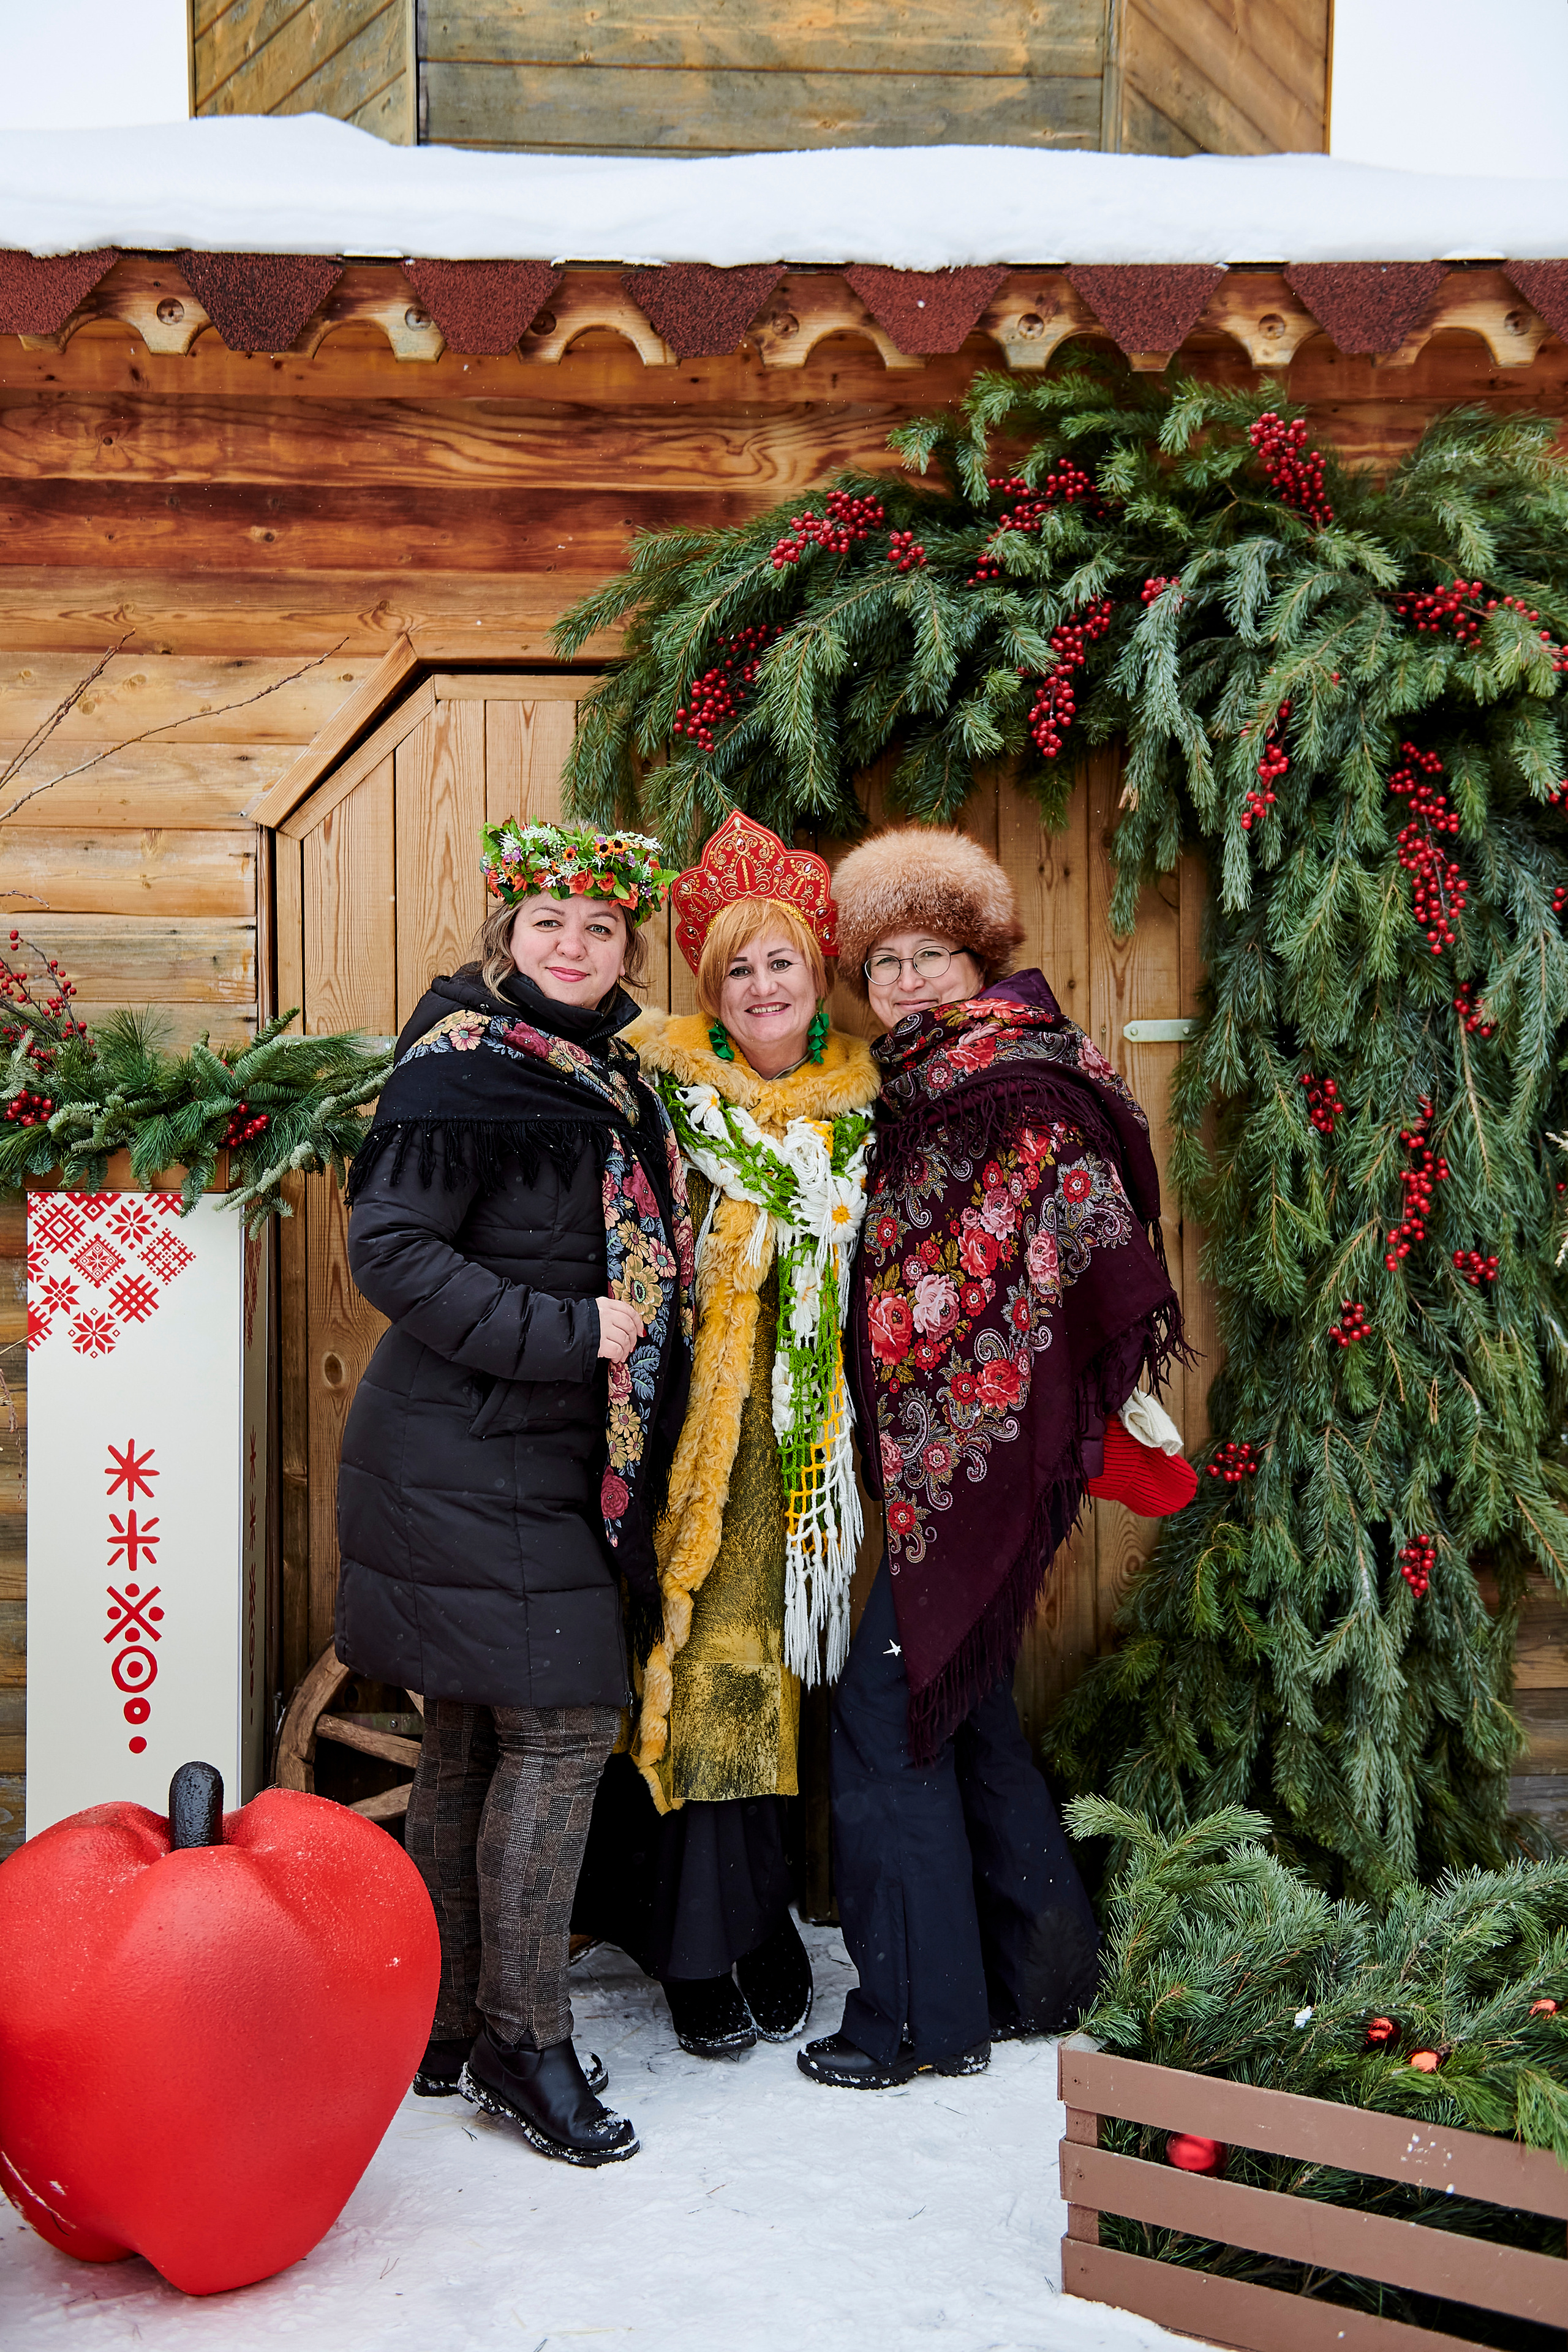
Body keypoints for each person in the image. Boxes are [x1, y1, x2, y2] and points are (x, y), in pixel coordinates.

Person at [798, 826, 1195, 2092]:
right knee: (958, 1710)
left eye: (934, 955)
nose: (910, 981)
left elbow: (1092, 1241)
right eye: (887, 961)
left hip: (983, 1454)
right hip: (944, 1456)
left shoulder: (1012, 1081)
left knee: (884, 1720)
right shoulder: (921, 1085)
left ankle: (915, 2020)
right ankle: (1039, 1979)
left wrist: (1066, 1393)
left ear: (980, 958)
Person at [334, 816, 694, 2165]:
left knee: (476, 1741)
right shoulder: (462, 1070)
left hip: (518, 1453)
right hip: (467, 1451)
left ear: (624, 952)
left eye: (599, 929)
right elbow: (392, 1255)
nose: (572, 944)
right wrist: (575, 1332)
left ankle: (438, 2023)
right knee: (559, 1729)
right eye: (548, 922)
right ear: (506, 937)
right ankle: (520, 2044)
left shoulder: (607, 1075)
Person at [572, 812, 880, 2059]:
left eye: (782, 964)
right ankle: (693, 1942)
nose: (760, 987)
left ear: (817, 978)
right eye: (737, 969)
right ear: (709, 988)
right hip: (650, 1424)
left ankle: (736, 1933)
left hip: (787, 1439)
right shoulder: (659, 1091)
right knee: (647, 1676)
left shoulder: (860, 1110)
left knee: (740, 1684)